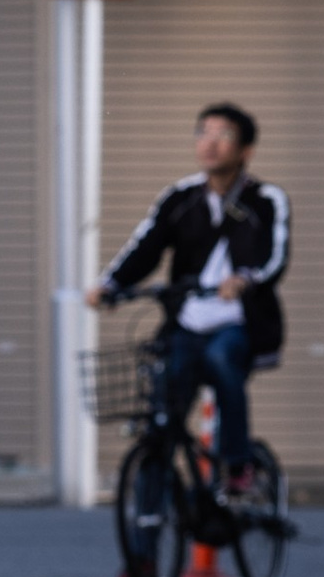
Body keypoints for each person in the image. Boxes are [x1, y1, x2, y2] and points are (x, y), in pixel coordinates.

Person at [89, 103, 289, 493]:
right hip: (187, 319)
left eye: (224, 135)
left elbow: (275, 254)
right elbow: (145, 246)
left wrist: (246, 278)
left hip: (238, 321)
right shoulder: (180, 198)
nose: (210, 144)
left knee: (220, 359)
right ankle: (148, 525)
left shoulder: (266, 199)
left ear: (246, 150)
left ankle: (237, 464)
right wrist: (110, 285)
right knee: (162, 404)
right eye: (203, 133)